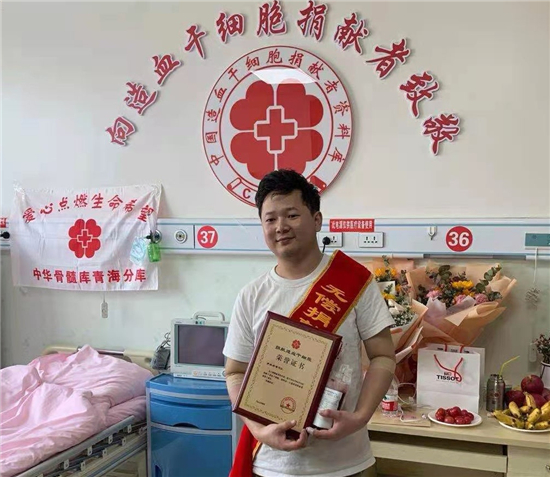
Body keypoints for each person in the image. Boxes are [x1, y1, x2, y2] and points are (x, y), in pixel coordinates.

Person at [223, 169, 396, 477]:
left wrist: (360, 417)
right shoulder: (251, 296)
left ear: (317, 220)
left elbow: (383, 356)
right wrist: (259, 431)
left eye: (291, 215)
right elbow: (235, 372)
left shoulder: (354, 282)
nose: (281, 227)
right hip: (274, 466)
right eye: (270, 219)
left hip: (347, 462)